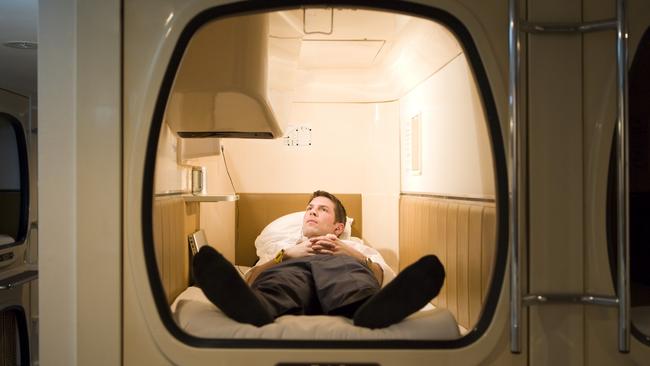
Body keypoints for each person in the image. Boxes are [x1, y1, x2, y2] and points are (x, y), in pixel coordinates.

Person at [193, 190, 445, 328]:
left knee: (350, 278)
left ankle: (367, 310)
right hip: (292, 267)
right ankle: (260, 308)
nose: (311, 211)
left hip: (341, 266)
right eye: (310, 208)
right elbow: (250, 278)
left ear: (338, 227)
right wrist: (285, 256)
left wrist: (351, 255)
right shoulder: (285, 248)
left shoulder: (353, 246)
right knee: (277, 283)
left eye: (322, 209)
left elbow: (386, 279)